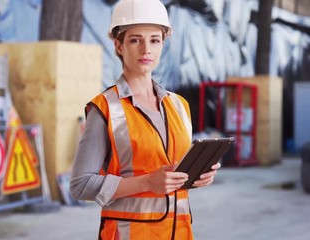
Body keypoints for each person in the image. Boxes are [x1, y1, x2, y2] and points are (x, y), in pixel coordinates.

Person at [70, 0, 221, 239]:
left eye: (154, 40)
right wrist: (147, 183)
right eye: (135, 40)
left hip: (180, 233)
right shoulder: (105, 108)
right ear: (118, 46)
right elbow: (80, 185)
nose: (146, 49)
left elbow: (173, 171)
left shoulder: (179, 106)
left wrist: (197, 175)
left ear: (163, 44)